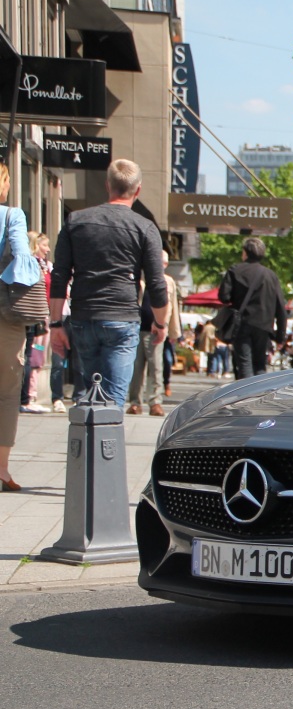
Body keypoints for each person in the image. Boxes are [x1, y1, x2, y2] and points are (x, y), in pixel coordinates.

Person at [48, 158, 169, 408]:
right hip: (122, 318)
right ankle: (106, 444)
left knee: (88, 393)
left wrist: (56, 323)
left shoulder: (76, 221)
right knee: (112, 397)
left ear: (107, 185)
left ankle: (85, 443)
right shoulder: (144, 227)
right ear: (138, 190)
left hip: (84, 316)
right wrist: (160, 323)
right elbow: (156, 283)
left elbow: (60, 275)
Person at [0, 161, 44, 490]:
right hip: (4, 318)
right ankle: (1, 470)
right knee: (6, 392)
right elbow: (22, 259)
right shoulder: (12, 216)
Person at [217, 236, 287, 379]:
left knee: (244, 363)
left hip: (242, 323)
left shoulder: (235, 270)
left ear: (245, 252)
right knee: (260, 364)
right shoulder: (271, 276)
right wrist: (280, 336)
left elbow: (223, 296)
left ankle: (247, 396)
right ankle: (259, 394)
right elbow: (281, 307)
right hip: (264, 326)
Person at [126, 251, 180, 416]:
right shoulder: (139, 279)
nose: (161, 266)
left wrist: (173, 332)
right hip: (136, 327)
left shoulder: (168, 282)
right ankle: (135, 402)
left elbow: (173, 306)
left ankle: (155, 402)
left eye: (164, 263)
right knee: (137, 367)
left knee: (156, 366)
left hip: (156, 328)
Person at [19, 231, 53, 413]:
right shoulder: (31, 264)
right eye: (44, 245)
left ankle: (28, 395)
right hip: (32, 315)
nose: (47, 249)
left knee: (35, 355)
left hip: (40, 317)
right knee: (27, 356)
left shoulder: (43, 265)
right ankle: (25, 398)